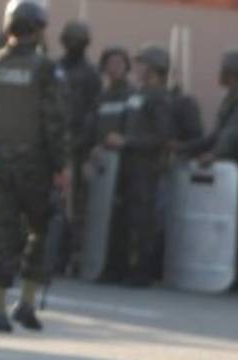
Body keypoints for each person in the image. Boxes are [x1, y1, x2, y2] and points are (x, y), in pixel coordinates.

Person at [0, 0, 69, 333]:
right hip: (35, 165)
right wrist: (62, 165)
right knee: (41, 230)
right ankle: (27, 303)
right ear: (38, 28)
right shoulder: (44, 69)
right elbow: (54, 121)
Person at [183, 51, 238, 283]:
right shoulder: (234, 96)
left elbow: (233, 132)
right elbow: (218, 134)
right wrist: (186, 147)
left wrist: (214, 154)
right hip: (235, 164)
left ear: (231, 73)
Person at [101, 45, 173, 287]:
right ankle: (117, 267)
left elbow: (161, 138)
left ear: (154, 69)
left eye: (143, 64)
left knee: (141, 220)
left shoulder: (159, 97)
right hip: (126, 165)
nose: (138, 68)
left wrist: (128, 141)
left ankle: (141, 271)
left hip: (144, 167)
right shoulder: (137, 94)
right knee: (121, 217)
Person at [79, 46, 133, 280]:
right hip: (101, 165)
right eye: (111, 63)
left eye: (120, 63)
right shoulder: (101, 98)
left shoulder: (132, 96)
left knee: (121, 217)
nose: (116, 67)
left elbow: (133, 130)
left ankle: (116, 266)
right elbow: (90, 131)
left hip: (124, 165)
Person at [58, 21, 102, 275]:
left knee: (75, 206)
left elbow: (93, 112)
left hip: (77, 146)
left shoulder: (90, 74)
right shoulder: (55, 68)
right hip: (54, 142)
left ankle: (72, 253)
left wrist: (83, 142)